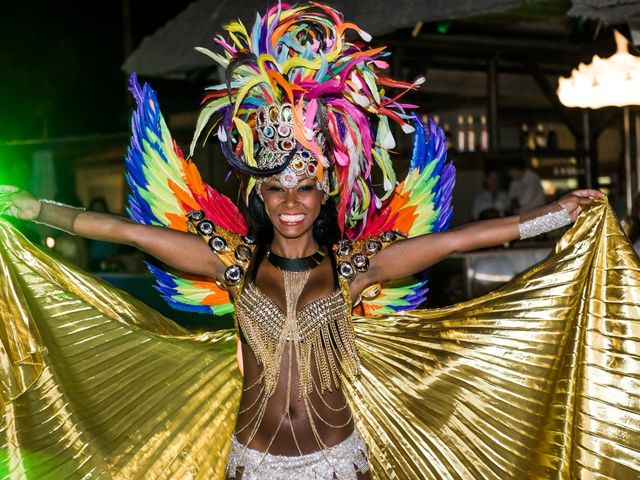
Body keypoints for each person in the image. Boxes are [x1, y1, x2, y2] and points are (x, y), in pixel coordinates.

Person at [0, 3, 636, 480]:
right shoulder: (234, 263)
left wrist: (552, 214)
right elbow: (121, 229)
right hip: (251, 461)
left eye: (305, 188)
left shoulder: (354, 265)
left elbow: (457, 241)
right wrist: (33, 208)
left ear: (326, 193)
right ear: (260, 196)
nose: (291, 202)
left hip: (337, 461)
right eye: (276, 189)